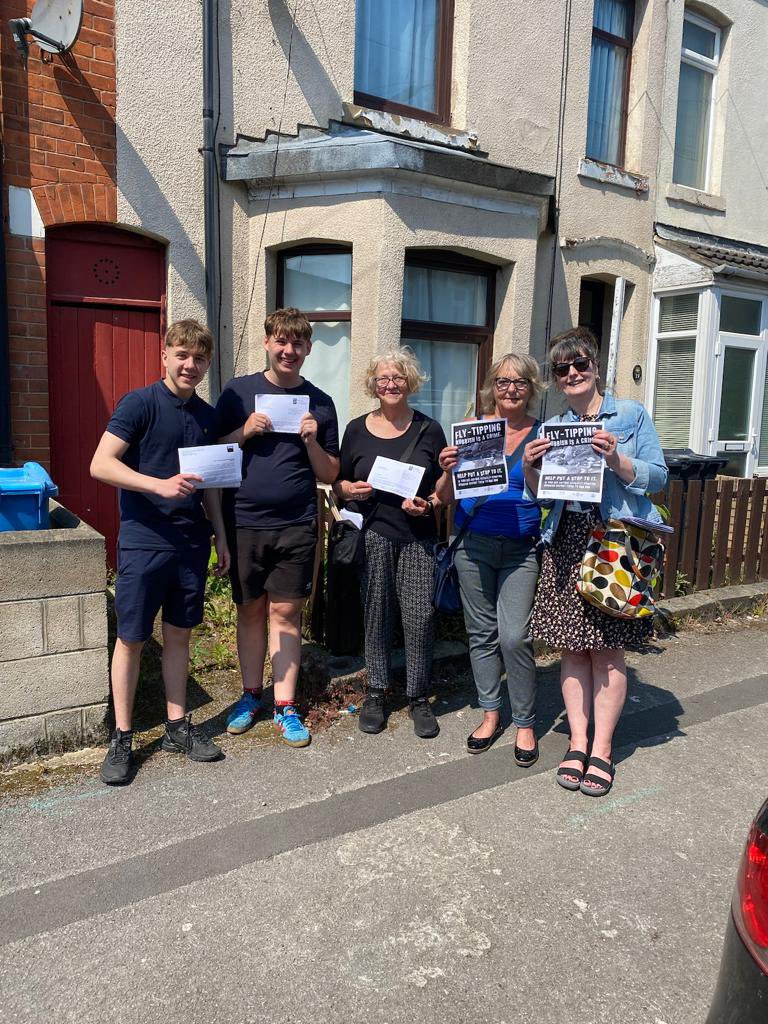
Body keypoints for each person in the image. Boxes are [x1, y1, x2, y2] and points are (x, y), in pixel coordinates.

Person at [522, 327, 668, 797]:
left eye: (579, 364)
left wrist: (618, 460)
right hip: (566, 540)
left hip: (614, 541)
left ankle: (602, 750)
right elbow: (537, 494)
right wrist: (529, 466)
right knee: (572, 647)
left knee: (606, 651)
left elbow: (659, 477)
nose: (571, 373)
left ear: (596, 366)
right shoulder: (551, 427)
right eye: (562, 368)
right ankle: (577, 743)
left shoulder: (630, 414)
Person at [90, 320, 229, 785]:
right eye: (182, 355)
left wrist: (221, 538)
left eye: (200, 358)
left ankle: (176, 726)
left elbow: (208, 485)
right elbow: (100, 464)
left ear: (207, 364)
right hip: (145, 541)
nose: (190, 365)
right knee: (131, 637)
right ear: (165, 356)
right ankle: (123, 737)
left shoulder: (208, 416)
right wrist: (158, 485)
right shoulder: (139, 403)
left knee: (179, 638)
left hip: (191, 544)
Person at [216, 308, 339, 747]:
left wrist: (310, 440)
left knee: (286, 613)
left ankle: (284, 705)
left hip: (296, 524)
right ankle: (251, 694)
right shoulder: (237, 392)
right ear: (267, 343)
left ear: (308, 349)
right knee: (249, 611)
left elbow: (329, 472)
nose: (290, 351)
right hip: (244, 522)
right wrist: (243, 432)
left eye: (299, 344)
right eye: (281, 342)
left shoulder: (321, 403)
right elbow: (212, 453)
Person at [436, 353, 544, 762]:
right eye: (503, 382)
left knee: (514, 636)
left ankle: (525, 721)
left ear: (531, 389)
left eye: (519, 383)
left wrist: (533, 467)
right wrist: (447, 469)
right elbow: (445, 497)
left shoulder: (543, 434)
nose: (511, 390)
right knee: (480, 634)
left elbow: (548, 496)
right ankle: (490, 713)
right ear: (491, 388)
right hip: (473, 544)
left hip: (521, 547)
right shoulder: (473, 431)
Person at [334, 348, 446, 739]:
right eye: (383, 378)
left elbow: (442, 490)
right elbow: (339, 483)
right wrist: (350, 488)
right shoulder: (356, 429)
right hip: (374, 533)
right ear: (373, 385)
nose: (391, 384)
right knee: (376, 614)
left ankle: (418, 696)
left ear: (410, 382)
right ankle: (377, 691)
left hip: (417, 536)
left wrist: (428, 503)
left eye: (398, 377)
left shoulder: (430, 429)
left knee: (419, 618)